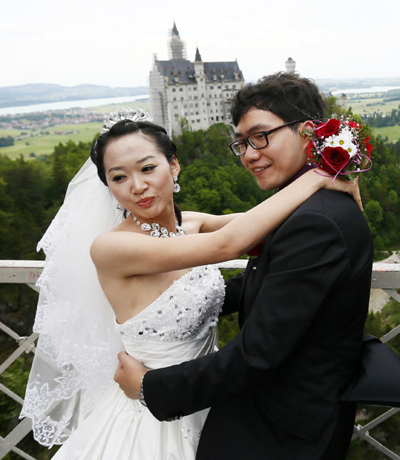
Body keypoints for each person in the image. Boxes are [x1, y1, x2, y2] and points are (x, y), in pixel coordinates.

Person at [20, 107, 361, 460]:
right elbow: (226, 244)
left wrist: (333, 197)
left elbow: (270, 226)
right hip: (151, 410)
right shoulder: (112, 248)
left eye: (148, 168)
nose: (137, 186)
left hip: (209, 395)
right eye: (119, 177)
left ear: (174, 166)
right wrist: (318, 177)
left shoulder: (191, 224)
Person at [114, 74, 374, 460]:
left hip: (282, 432)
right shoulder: (301, 205)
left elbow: (257, 355)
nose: (250, 153)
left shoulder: (315, 220)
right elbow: (274, 286)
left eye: (261, 136)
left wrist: (151, 387)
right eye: (242, 143)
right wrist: (178, 303)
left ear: (307, 133)